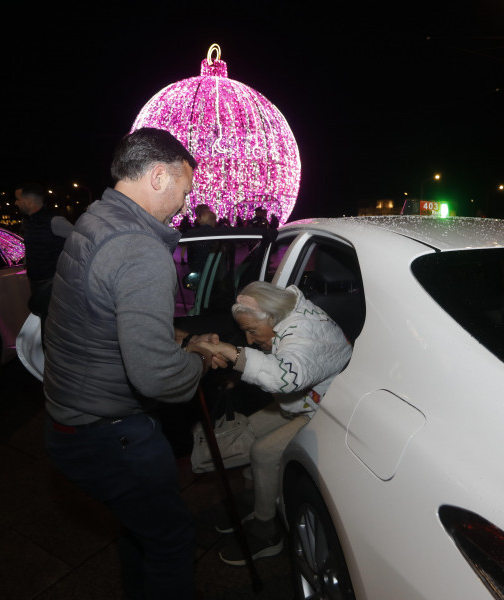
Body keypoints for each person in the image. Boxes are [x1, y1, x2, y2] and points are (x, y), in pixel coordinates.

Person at [42, 127, 219, 600]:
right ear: (158, 176)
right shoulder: (140, 249)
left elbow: (105, 313)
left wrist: (172, 337)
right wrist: (198, 360)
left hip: (71, 419)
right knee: (171, 541)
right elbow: (157, 375)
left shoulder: (98, 220)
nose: (184, 203)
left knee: (140, 530)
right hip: (110, 434)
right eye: (184, 189)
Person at [199, 281, 353, 566]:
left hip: (323, 408)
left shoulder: (307, 332)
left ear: (271, 317)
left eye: (251, 331)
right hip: (301, 401)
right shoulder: (287, 315)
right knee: (248, 428)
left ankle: (266, 530)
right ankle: (258, 499)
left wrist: (234, 354)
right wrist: (238, 367)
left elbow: (286, 377)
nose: (248, 338)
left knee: (263, 452)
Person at [14, 182, 73, 336]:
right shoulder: (27, 221)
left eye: (18, 199)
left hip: (52, 283)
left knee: (53, 327)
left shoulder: (54, 221)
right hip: (35, 282)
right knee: (43, 323)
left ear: (29, 201)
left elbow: (80, 240)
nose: (16, 203)